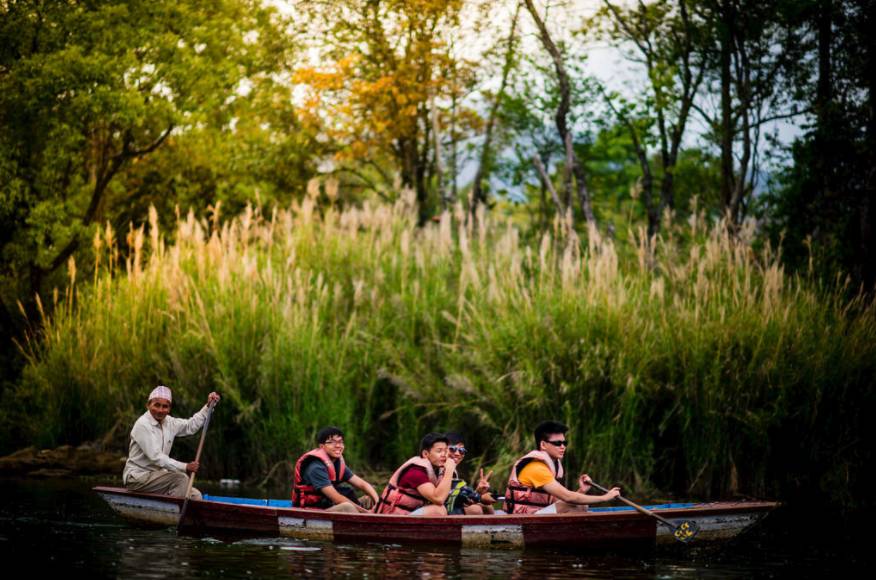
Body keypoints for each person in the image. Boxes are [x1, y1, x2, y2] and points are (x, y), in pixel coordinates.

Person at [122, 385, 221, 500]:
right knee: (181, 479)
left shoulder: (169, 422)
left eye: (165, 406)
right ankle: (169, 512)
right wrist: (185, 466)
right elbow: (156, 457)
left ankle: (172, 511)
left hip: (158, 477)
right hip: (137, 478)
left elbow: (190, 426)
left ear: (169, 408)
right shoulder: (142, 425)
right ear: (148, 405)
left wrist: (208, 406)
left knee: (196, 496)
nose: (160, 410)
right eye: (157, 405)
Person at [503, 420, 620, 514]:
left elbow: (559, 500)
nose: (563, 447)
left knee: (582, 505)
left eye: (565, 443)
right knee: (573, 505)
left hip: (537, 513)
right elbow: (567, 497)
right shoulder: (536, 468)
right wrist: (605, 497)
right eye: (557, 443)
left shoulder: (553, 465)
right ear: (543, 444)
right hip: (521, 517)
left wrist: (582, 490)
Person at [292, 426, 380, 513]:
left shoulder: (337, 464)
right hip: (312, 510)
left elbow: (363, 485)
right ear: (322, 446)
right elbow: (337, 498)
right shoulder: (316, 467)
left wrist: (378, 503)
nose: (338, 446)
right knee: (347, 507)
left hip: (329, 505)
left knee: (369, 499)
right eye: (331, 442)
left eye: (340, 442)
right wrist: (365, 512)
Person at [375, 432, 456, 515]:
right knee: (439, 510)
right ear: (425, 454)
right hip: (393, 517)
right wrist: (449, 470)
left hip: (409, 514)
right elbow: (438, 499)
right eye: (439, 451)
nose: (444, 455)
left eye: (446, 451)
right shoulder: (416, 472)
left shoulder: (437, 471)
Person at [444, 432, 497, 515]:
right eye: (452, 449)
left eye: (461, 450)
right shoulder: (440, 467)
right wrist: (480, 497)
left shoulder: (454, 470)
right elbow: (447, 497)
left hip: (451, 505)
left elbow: (457, 496)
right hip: (441, 508)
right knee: (475, 510)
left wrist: (478, 492)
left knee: (488, 506)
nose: (457, 453)